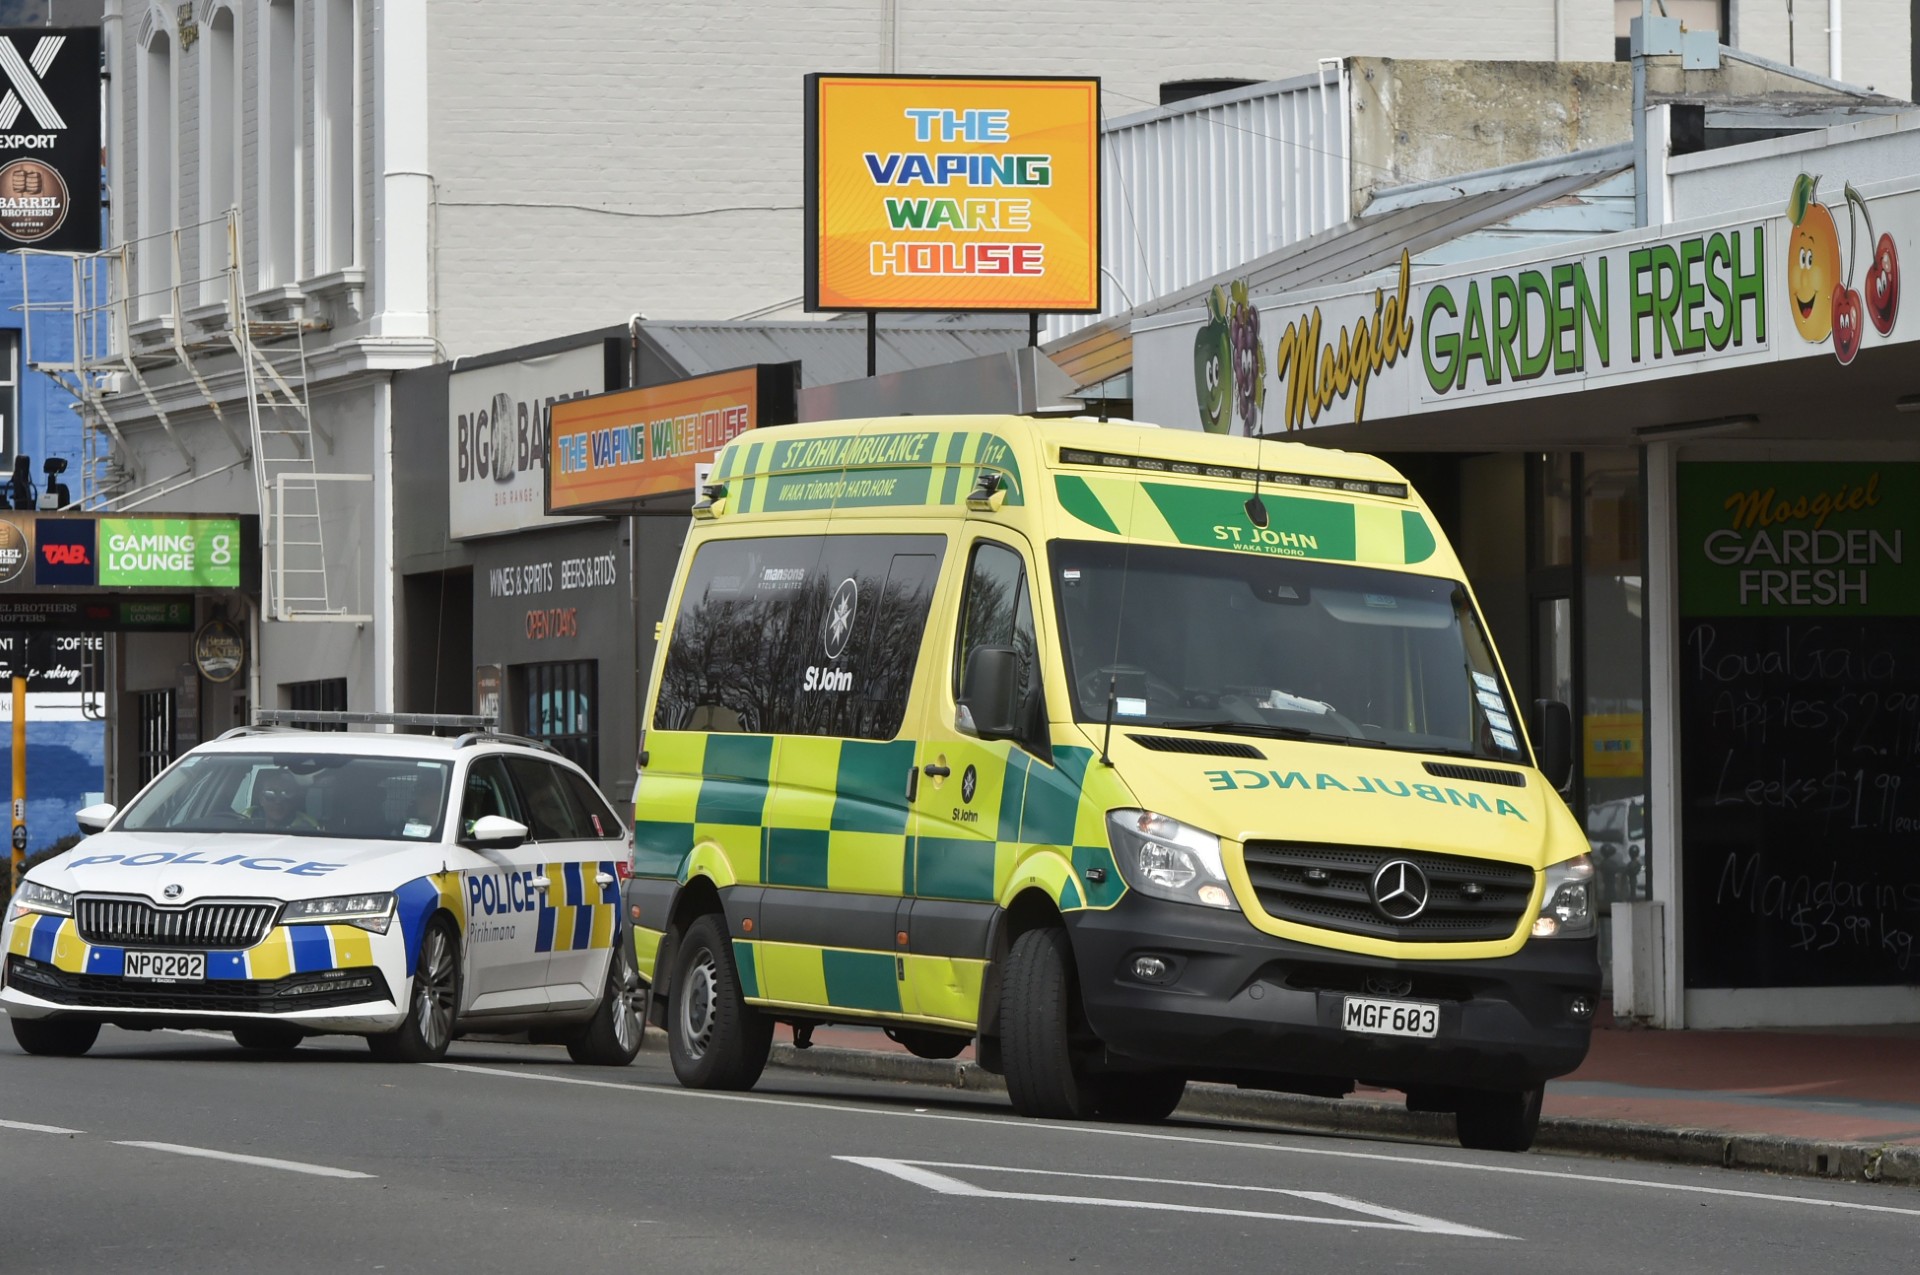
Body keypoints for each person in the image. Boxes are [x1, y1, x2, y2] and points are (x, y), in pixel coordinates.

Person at [247, 768, 319, 832]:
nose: (278, 801)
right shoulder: (243, 819)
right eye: (270, 794)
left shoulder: (310, 827)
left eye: (285, 794)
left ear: (293, 800)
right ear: (261, 799)